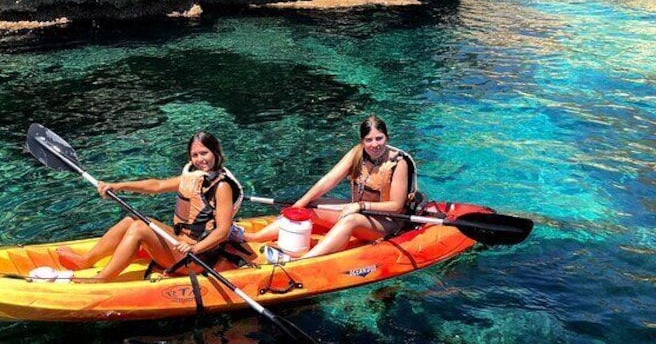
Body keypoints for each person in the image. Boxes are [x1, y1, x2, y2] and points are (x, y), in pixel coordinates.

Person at [56, 131, 244, 281]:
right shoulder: (195, 178)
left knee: (139, 228)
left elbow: (222, 231)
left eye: (204, 153)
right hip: (180, 244)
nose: (200, 159)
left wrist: (194, 249)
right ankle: (86, 260)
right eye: (195, 155)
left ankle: (102, 279)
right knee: (133, 219)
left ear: (215, 153)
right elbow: (157, 185)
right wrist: (119, 186)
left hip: (197, 257)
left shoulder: (221, 187)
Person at [246, 115, 417, 262]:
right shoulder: (358, 153)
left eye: (379, 138)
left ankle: (303, 261)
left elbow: (395, 205)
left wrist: (361, 206)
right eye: (369, 140)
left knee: (351, 220)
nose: (374, 144)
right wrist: (300, 204)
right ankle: (254, 237)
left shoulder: (399, 163)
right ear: (362, 141)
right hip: (359, 211)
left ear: (387, 137)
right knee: (311, 206)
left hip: (387, 222)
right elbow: (329, 180)